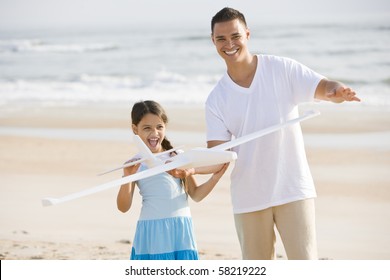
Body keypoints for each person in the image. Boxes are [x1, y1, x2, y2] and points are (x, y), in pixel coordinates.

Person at [201, 7, 361, 260]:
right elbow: (218, 156)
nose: (229, 44)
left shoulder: (281, 69)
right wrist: (185, 168)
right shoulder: (216, 99)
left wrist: (338, 91)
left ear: (247, 34)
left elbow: (323, 87)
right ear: (213, 41)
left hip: (293, 188)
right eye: (221, 38)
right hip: (249, 196)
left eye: (235, 36)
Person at [117, 100, 228, 260]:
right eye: (147, 128)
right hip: (153, 230)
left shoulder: (178, 156)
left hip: (181, 229)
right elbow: (123, 207)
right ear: (135, 129)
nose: (154, 133)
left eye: (159, 127)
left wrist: (215, 178)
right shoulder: (136, 164)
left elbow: (196, 195)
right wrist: (127, 177)